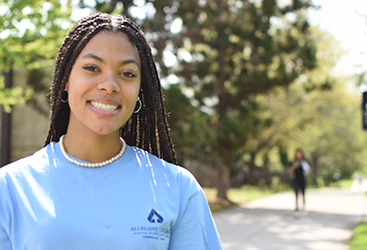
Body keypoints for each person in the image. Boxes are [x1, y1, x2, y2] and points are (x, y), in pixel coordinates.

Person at [0, 13, 222, 249]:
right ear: (65, 79)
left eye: (127, 73)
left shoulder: (178, 188)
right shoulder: (11, 188)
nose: (109, 85)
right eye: (92, 68)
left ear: (140, 90)